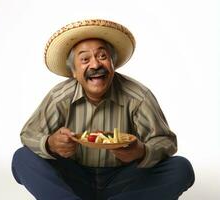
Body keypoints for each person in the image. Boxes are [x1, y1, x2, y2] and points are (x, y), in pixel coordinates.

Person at [11, 19, 195, 200]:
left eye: (102, 56)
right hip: (75, 178)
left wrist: (142, 151)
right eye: (84, 59)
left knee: (181, 168)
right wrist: (51, 143)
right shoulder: (60, 96)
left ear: (113, 64)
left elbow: (166, 141)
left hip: (123, 179)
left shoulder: (138, 96)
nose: (95, 65)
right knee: (22, 158)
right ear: (74, 71)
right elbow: (29, 134)